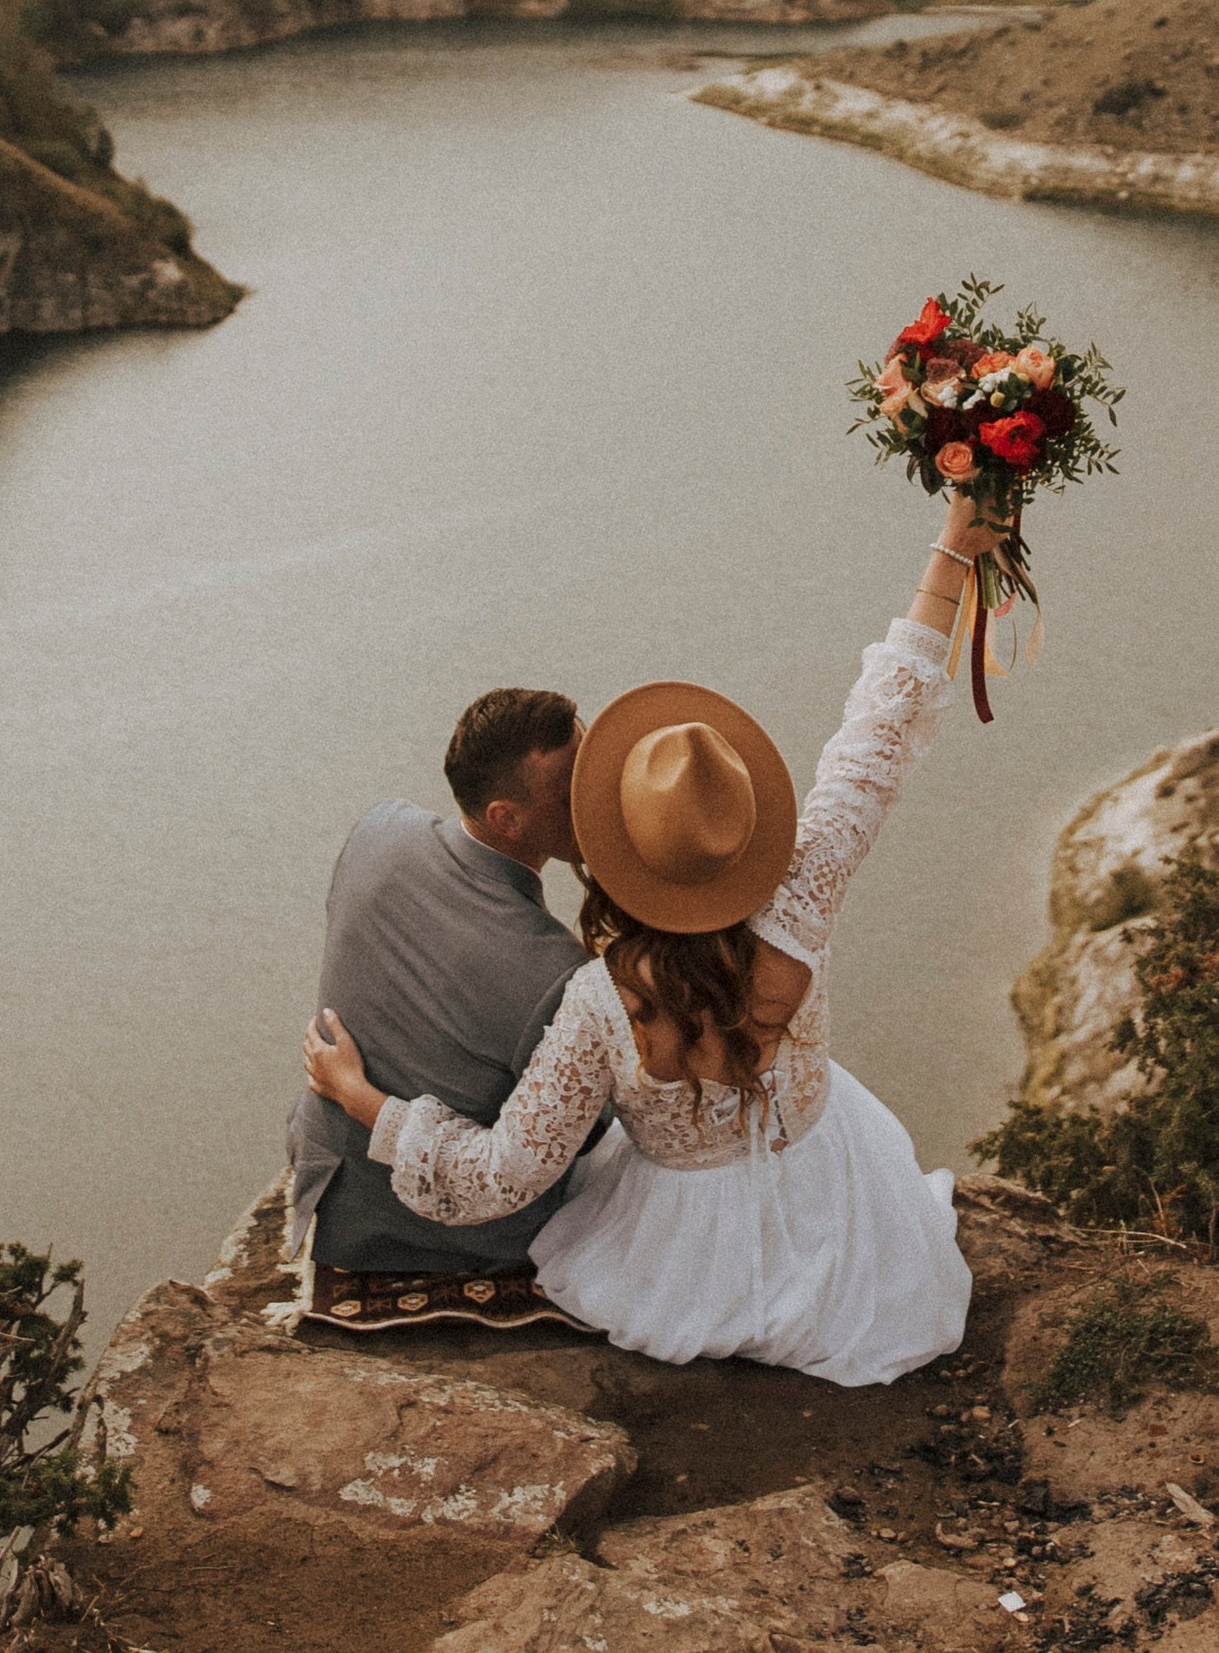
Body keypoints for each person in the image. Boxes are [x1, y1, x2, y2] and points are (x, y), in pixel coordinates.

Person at [301, 499, 980, 1385]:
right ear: (746, 824)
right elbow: (877, 732)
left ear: (624, 855)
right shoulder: (805, 892)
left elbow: (498, 1175)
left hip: (685, 1254)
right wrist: (954, 552)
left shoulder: (598, 999)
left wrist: (361, 1099)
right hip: (833, 1192)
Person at [284, 680, 593, 1330]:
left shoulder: (377, 830)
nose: (596, 795)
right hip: (425, 1228)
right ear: (508, 817)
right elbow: (575, 1137)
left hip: (326, 1171)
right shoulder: (553, 970)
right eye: (573, 790)